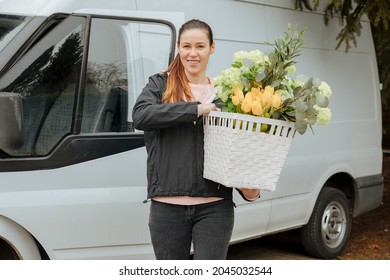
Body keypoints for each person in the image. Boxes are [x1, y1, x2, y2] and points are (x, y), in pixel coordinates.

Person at [132, 19, 260, 260]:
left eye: (200, 46)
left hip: (215, 207)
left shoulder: (227, 93)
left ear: (212, 48)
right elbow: (140, 115)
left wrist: (249, 184)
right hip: (167, 207)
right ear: (178, 48)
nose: (193, 53)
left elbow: (240, 144)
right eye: (187, 46)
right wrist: (196, 109)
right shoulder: (160, 85)